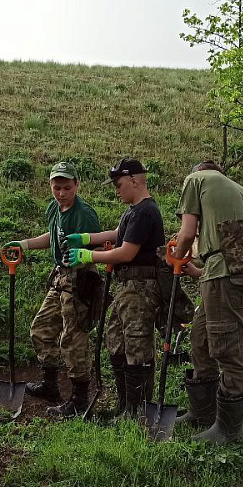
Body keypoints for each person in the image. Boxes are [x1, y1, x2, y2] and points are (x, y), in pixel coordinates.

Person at [64, 157, 165, 417]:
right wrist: (87, 238)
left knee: (137, 346)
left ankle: (138, 410)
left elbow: (126, 252)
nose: (116, 190)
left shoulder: (145, 211)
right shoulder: (133, 211)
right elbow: (119, 233)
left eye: (119, 184)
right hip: (126, 287)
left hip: (140, 288)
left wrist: (89, 256)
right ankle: (124, 406)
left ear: (134, 181)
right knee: (116, 342)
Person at [172, 160, 243, 444]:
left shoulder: (196, 180)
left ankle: (228, 430)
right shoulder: (240, 191)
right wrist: (199, 271)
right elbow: (231, 245)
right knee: (200, 338)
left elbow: (187, 233)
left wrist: (176, 254)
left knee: (226, 346)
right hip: (233, 273)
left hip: (224, 274)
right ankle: (203, 413)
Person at [4, 162, 101, 417]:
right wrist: (24, 244)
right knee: (41, 329)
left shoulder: (84, 214)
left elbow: (99, 247)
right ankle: (50, 385)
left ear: (77, 185)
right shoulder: (54, 208)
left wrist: (84, 257)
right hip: (59, 276)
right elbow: (52, 237)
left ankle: (80, 398)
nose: (61, 193)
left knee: (73, 337)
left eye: (66, 188)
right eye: (56, 187)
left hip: (80, 278)